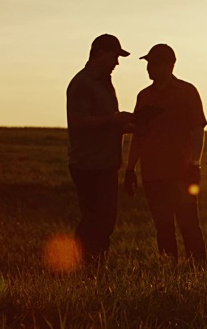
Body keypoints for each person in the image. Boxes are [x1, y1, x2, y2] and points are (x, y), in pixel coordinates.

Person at [124, 43, 207, 264]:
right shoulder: (144, 96)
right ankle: (168, 272)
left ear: (169, 66)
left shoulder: (187, 92)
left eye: (153, 63)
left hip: (181, 173)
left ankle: (198, 272)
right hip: (152, 174)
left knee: (189, 225)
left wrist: (194, 164)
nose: (149, 68)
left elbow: (197, 130)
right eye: (148, 63)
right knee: (163, 227)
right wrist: (130, 168)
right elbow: (138, 135)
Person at [66, 34, 133, 264]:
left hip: (105, 163)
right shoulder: (83, 84)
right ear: (100, 54)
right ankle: (84, 265)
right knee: (96, 219)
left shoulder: (103, 82)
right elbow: (80, 121)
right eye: (114, 56)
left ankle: (94, 267)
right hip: (90, 164)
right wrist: (115, 120)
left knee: (104, 220)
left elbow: (104, 122)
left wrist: (132, 125)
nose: (117, 62)